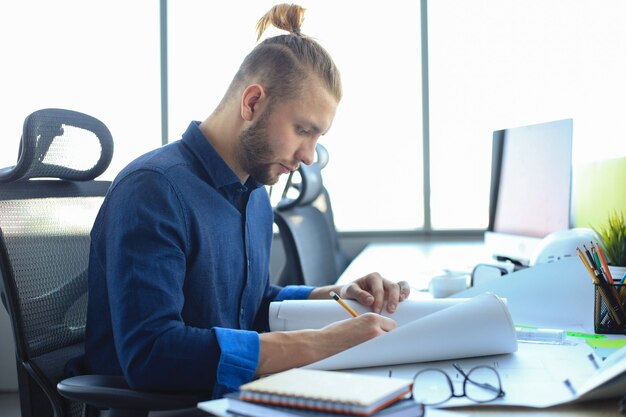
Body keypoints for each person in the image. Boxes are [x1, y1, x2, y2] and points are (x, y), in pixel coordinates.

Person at [83, 3, 410, 399]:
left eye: (318, 137)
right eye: (303, 130)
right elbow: (152, 353)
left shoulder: (254, 194)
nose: (309, 156)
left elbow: (246, 306)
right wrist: (319, 342)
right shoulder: (153, 191)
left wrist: (333, 295)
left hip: (235, 397)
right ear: (252, 102)